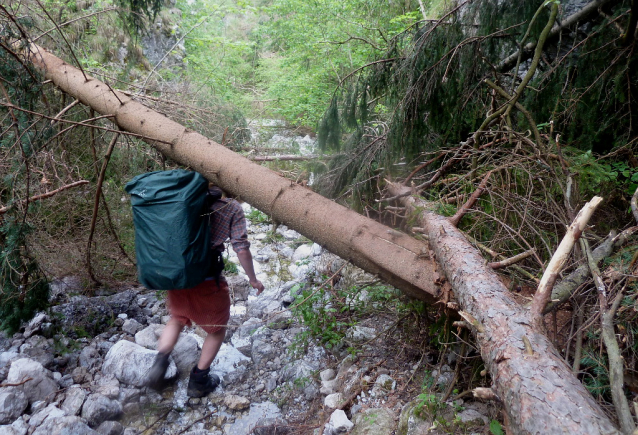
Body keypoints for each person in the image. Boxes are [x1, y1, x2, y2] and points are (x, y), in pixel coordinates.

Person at [147, 185, 265, 397]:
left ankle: (160, 361)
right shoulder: (231, 207)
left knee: (177, 318)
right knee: (217, 329)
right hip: (207, 279)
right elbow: (241, 247)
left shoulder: (181, 199)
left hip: (177, 276)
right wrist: (253, 280)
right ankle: (199, 380)